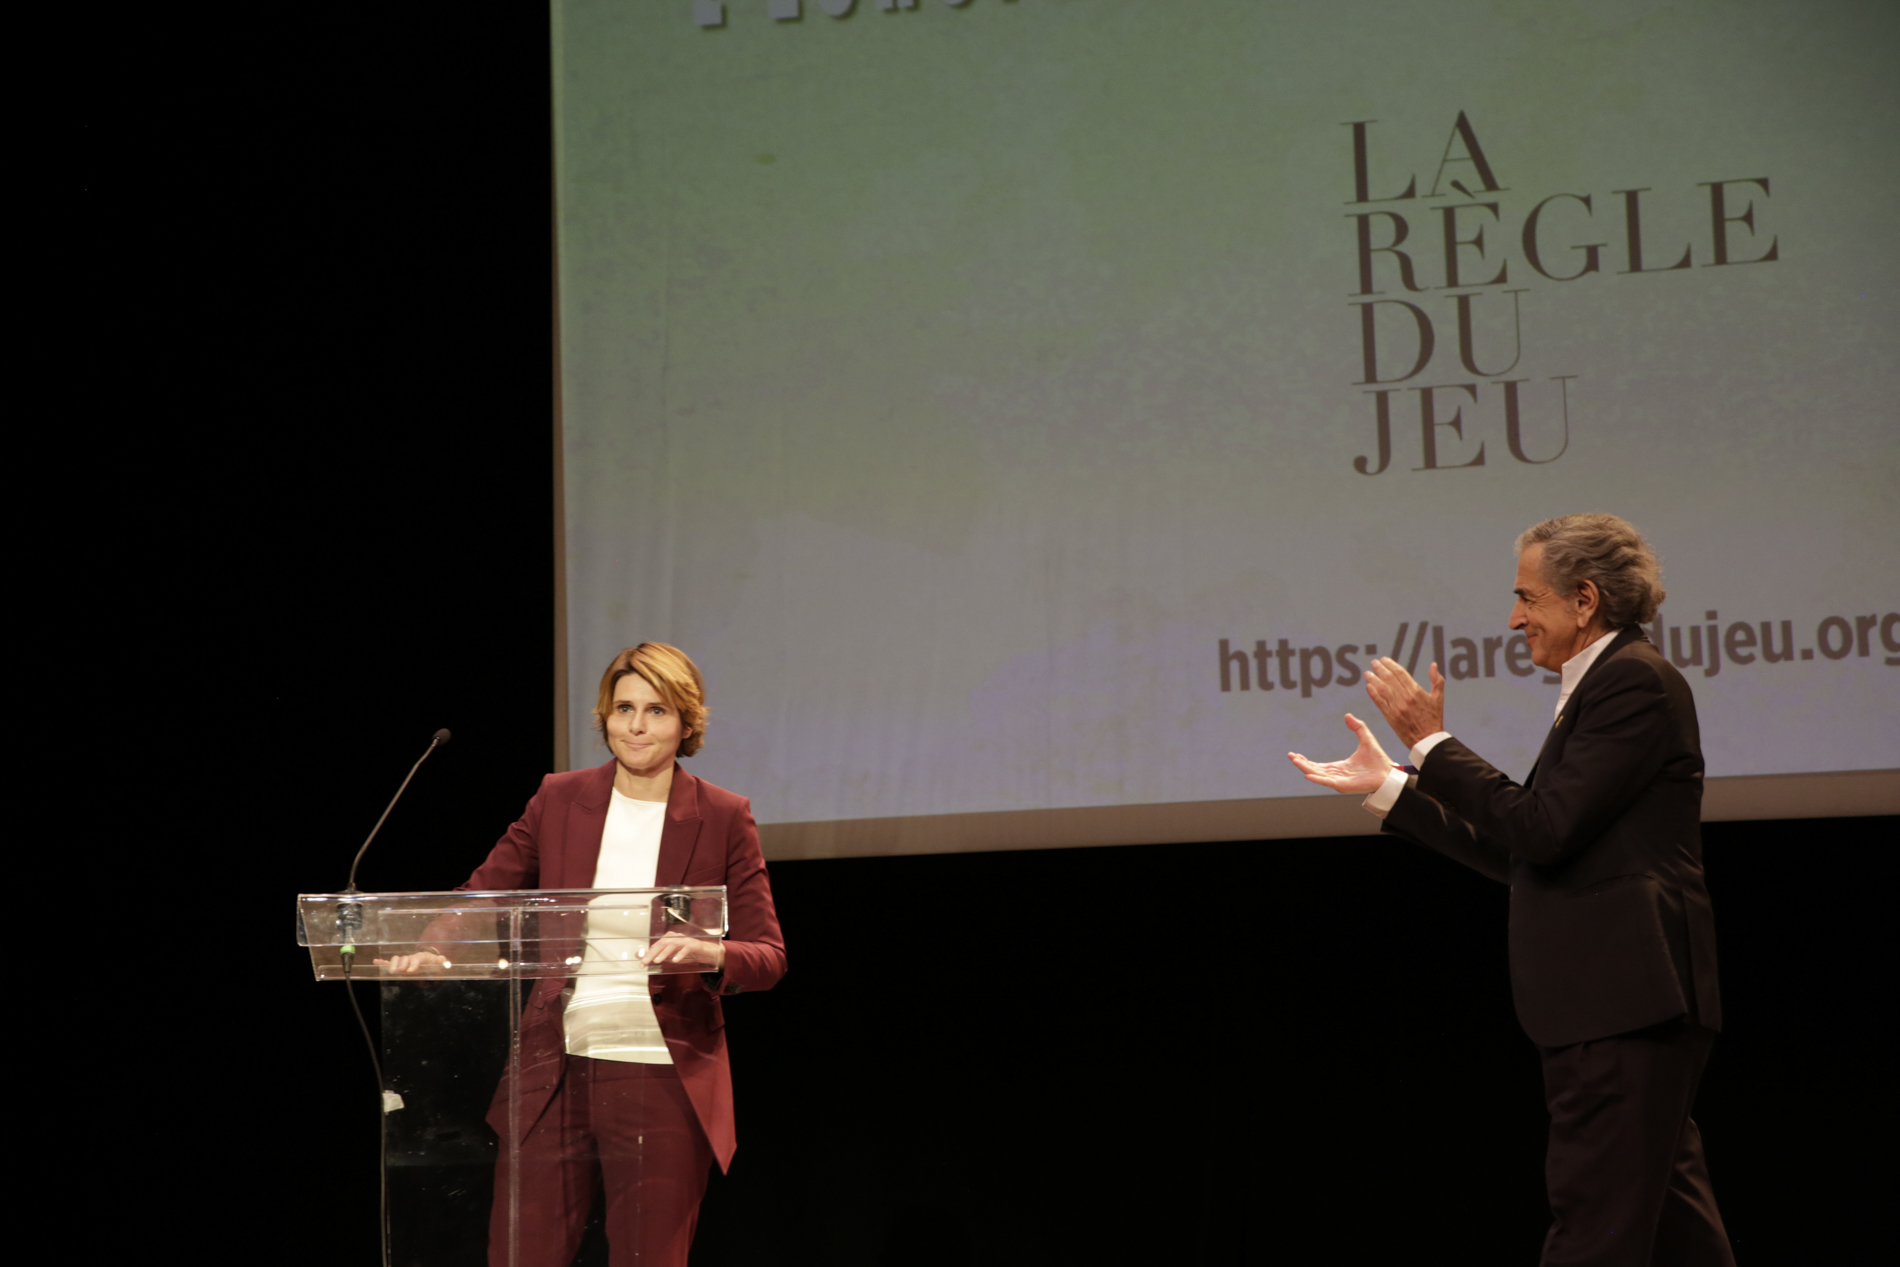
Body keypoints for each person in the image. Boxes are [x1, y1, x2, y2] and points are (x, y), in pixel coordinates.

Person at [1288, 514, 1734, 1266]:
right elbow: (1527, 851)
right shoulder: (1603, 685)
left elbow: (1542, 829)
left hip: (1624, 997)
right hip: (1621, 999)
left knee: (1594, 1227)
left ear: (1584, 598)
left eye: (1528, 596)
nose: (1513, 617)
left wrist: (1431, 743)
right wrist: (1395, 788)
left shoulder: (1632, 680)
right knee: (1671, 1226)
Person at [383, 642, 787, 1267]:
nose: (636, 725)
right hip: (554, 1064)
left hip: (661, 1068)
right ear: (605, 715)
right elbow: (485, 891)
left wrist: (712, 951)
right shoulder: (559, 798)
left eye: (656, 710)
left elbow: (767, 955)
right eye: (623, 707)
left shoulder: (723, 816)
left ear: (685, 722)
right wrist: (434, 950)